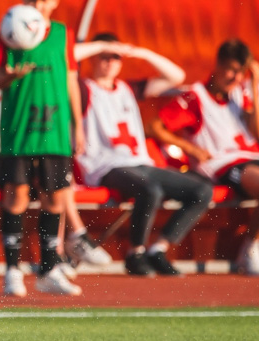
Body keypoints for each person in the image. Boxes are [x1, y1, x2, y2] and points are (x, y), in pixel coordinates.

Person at [76, 33, 212, 276]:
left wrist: (142, 53)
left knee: (201, 191)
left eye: (115, 57)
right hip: (105, 167)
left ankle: (158, 250)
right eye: (104, 56)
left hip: (139, 163)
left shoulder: (128, 89)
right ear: (94, 58)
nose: (110, 62)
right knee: (150, 190)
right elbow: (67, 58)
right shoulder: (82, 89)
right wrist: (99, 45)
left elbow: (176, 76)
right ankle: (135, 253)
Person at [0, 0, 90, 297]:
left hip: (55, 129)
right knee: (16, 195)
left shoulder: (63, 34)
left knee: (55, 197)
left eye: (43, 0)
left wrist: (78, 125)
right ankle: (12, 270)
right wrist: (11, 76)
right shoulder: (10, 30)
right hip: (20, 127)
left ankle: (49, 270)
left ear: (54, 2)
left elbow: (71, 80)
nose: (37, 5)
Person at [150, 39, 259, 276]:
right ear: (218, 65)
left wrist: (256, 84)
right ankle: (250, 250)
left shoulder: (241, 95)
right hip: (223, 165)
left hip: (252, 158)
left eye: (241, 72)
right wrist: (191, 149)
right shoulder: (195, 98)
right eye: (231, 70)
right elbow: (157, 126)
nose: (235, 77)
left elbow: (257, 132)